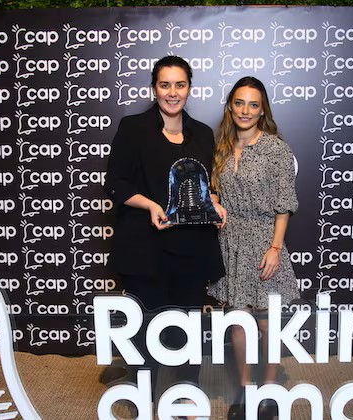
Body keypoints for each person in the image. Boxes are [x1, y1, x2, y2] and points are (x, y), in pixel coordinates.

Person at [104, 56, 226, 395]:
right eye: (165, 85)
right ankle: (141, 393)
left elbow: (205, 186)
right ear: (154, 88)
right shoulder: (133, 128)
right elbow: (116, 183)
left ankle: (187, 393)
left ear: (189, 88)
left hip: (191, 247)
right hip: (145, 246)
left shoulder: (202, 134)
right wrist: (150, 205)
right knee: (145, 325)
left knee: (187, 324)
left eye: (180, 85)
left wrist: (214, 202)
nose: (173, 93)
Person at [208, 76, 299, 419]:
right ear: (230, 107)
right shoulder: (220, 146)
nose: (245, 110)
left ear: (262, 111)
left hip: (264, 242)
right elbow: (214, 190)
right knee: (238, 324)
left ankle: (269, 392)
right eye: (239, 103)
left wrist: (275, 247)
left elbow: (284, 204)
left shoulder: (276, 149)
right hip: (229, 242)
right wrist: (215, 202)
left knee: (265, 325)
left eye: (253, 105)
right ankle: (245, 392)